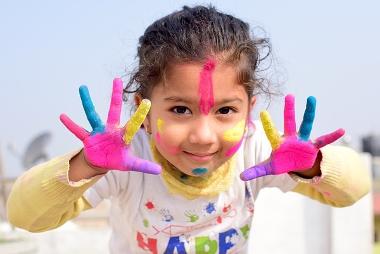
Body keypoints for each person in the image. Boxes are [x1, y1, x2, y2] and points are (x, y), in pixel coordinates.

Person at [7, 5, 370, 254]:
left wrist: (310, 166)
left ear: (249, 111)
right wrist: (87, 165)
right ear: (144, 113)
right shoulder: (126, 161)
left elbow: (354, 190)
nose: (203, 135)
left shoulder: (258, 152)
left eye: (226, 110)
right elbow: (24, 216)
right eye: (180, 109)